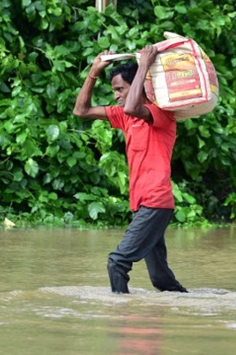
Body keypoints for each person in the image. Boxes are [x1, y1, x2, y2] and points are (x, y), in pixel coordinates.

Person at [73, 45, 188, 294]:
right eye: (114, 90)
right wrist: (93, 73)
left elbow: (133, 107)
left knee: (117, 262)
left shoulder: (161, 114)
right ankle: (191, 308)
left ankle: (120, 312)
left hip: (155, 202)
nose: (116, 95)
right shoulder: (126, 118)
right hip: (143, 204)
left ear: (137, 84)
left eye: (120, 89)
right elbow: (80, 110)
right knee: (161, 280)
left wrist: (144, 65)